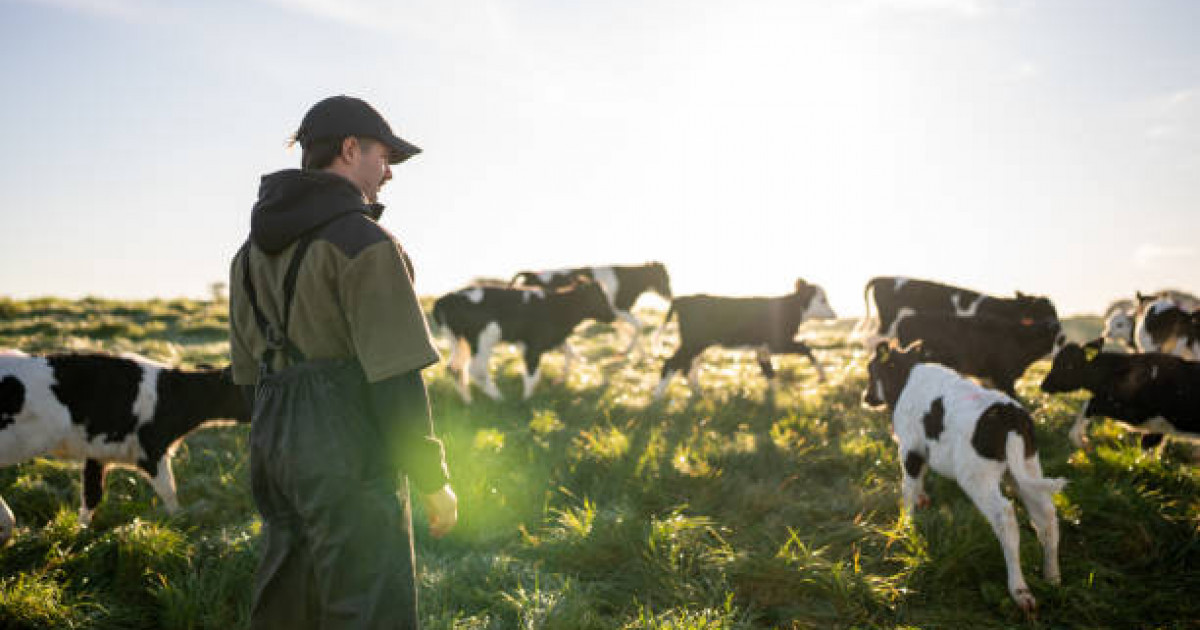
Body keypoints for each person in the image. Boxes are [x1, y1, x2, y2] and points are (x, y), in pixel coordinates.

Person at [229, 95, 457, 629]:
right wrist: (432, 477)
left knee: (287, 606)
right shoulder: (366, 242)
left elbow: (243, 376)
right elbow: (396, 375)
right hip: (346, 443)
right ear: (350, 149)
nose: (388, 174)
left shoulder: (247, 254)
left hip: (271, 442)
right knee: (369, 606)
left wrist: (277, 437)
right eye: (383, 157)